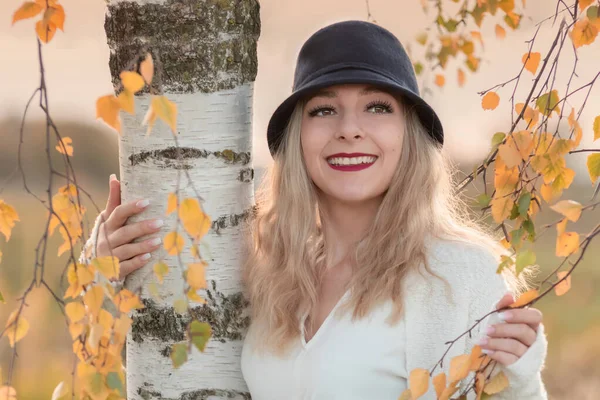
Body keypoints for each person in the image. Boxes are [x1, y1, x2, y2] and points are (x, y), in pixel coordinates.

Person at [79, 20, 548, 400]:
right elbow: (160, 357)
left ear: (410, 135)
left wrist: (519, 377)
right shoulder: (265, 263)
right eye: (324, 110)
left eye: (377, 108)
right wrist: (101, 270)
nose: (349, 129)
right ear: (297, 138)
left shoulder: (460, 274)